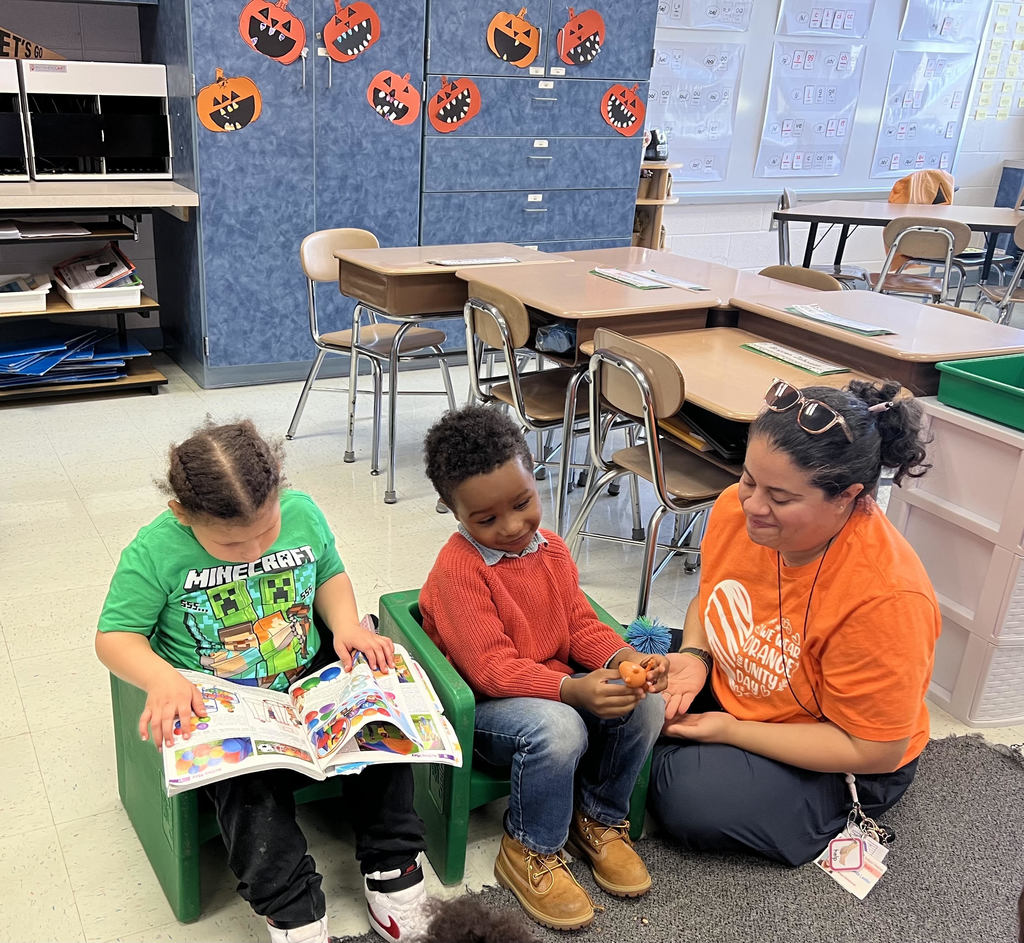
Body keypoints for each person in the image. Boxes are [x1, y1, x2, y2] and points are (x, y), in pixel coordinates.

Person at [95, 420, 428, 943]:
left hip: (310, 674)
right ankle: (292, 909)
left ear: (279, 491)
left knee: (380, 732)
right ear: (181, 513)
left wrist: (343, 624)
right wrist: (161, 679)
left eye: (266, 533)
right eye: (230, 544)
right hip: (222, 700)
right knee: (247, 791)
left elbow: (329, 573)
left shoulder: (301, 510)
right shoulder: (155, 551)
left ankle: (395, 866)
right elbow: (114, 637)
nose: (253, 553)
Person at [650, 378, 941, 867]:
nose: (752, 507)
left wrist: (732, 733)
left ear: (848, 496)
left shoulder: (887, 597)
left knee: (687, 795)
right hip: (745, 684)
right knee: (611, 679)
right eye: (748, 480)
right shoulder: (735, 508)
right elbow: (713, 597)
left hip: (842, 749)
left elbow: (876, 750)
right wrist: (695, 656)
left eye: (781, 499)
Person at [419, 405, 668, 932]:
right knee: (561, 727)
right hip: (483, 710)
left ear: (535, 476)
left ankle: (597, 817)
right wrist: (570, 690)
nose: (511, 527)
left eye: (522, 503)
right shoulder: (459, 571)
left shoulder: (550, 549)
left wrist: (623, 658)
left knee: (647, 705)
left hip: (552, 685)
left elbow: (579, 625)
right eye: (485, 520)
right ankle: (529, 846)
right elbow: (488, 670)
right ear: (453, 510)